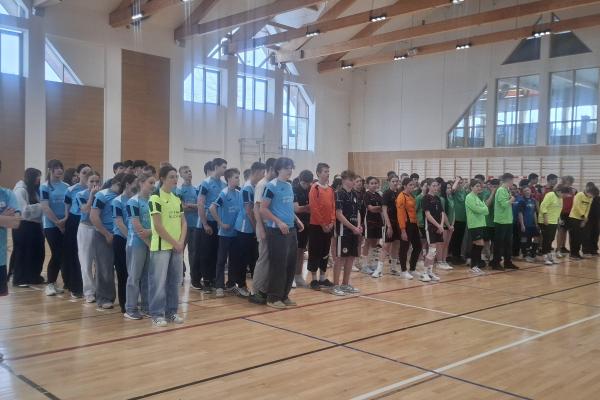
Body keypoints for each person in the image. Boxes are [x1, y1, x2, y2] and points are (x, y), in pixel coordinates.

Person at [260, 157, 304, 309]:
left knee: (290, 263)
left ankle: (284, 296)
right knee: (278, 264)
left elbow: (288, 207)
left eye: (291, 167)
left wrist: (297, 220)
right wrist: (278, 222)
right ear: (278, 169)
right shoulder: (271, 186)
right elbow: (263, 209)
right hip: (276, 231)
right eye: (286, 168)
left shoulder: (289, 185)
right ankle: (273, 298)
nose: (289, 170)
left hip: (291, 229)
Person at [148, 166, 186, 327]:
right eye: (171, 176)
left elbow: (183, 223)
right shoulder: (155, 198)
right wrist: (175, 242)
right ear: (162, 178)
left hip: (176, 248)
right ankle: (157, 314)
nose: (175, 179)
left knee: (174, 281)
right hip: (161, 247)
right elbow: (158, 226)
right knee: (158, 282)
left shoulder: (177, 198)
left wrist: (181, 242)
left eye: (176, 176)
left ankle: (171, 312)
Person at [90, 173, 125, 310]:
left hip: (120, 235)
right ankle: (104, 298)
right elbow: (94, 216)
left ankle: (126, 298)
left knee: (122, 267)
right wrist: (106, 234)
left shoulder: (123, 196)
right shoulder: (102, 195)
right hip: (103, 235)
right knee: (105, 267)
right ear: (116, 183)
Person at [230, 162, 265, 296]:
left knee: (253, 258)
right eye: (263, 173)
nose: (264, 176)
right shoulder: (247, 188)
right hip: (244, 228)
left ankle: (256, 287)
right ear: (256, 172)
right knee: (243, 258)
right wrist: (257, 227)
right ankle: (241, 285)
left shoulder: (255, 187)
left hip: (251, 229)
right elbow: (249, 211)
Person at [124, 172, 155, 320]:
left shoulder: (153, 200)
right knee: (134, 277)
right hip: (136, 244)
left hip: (150, 243)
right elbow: (138, 228)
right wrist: (149, 243)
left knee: (147, 277)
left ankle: (146, 307)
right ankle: (130, 309)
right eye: (150, 183)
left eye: (154, 183)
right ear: (141, 183)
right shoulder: (133, 202)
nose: (153, 186)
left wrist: (152, 238)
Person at [248, 158, 277, 305]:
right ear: (270, 168)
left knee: (269, 258)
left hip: (271, 226)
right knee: (263, 258)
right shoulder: (262, 184)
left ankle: (265, 289)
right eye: (277, 169)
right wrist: (260, 227)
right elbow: (256, 208)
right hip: (263, 226)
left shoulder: (272, 184)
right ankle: (256, 290)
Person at [210, 168, 242, 298]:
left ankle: (231, 284)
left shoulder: (239, 193)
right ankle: (219, 286)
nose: (238, 179)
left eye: (238, 177)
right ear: (228, 179)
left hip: (236, 233)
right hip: (225, 234)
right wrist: (221, 223)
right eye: (236, 177)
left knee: (234, 260)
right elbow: (212, 208)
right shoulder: (224, 193)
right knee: (221, 260)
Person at [10, 168, 45, 287]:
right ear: (31, 177)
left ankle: (33, 276)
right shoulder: (20, 190)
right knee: (23, 252)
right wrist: (41, 206)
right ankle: (20, 279)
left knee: (37, 251)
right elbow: (24, 211)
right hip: (23, 226)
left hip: (35, 226)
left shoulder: (33, 190)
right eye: (37, 176)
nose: (39, 179)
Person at [197, 158, 227, 293]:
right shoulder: (206, 183)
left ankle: (215, 279)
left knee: (216, 252)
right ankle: (206, 281)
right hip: (208, 221)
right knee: (206, 252)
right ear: (216, 167)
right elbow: (200, 203)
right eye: (223, 167)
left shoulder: (224, 184)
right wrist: (204, 224)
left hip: (219, 222)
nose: (225, 170)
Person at [62, 164, 92, 299]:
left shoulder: (95, 188)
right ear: (78, 174)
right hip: (74, 221)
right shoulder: (72, 189)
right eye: (84, 172)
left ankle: (90, 287)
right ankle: (75, 286)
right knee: (74, 254)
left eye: (89, 172)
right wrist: (65, 218)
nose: (87, 175)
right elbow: (67, 205)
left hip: (89, 222)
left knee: (88, 256)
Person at [41, 160, 69, 296]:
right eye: (56, 168)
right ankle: (50, 284)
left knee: (63, 254)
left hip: (65, 223)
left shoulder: (66, 186)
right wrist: (58, 222)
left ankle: (59, 282)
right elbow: (45, 207)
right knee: (56, 253)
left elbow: (68, 205)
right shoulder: (45, 187)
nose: (59, 170)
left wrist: (65, 220)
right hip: (51, 225)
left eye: (60, 167)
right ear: (50, 170)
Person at [331, 170, 362, 295]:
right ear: (343, 180)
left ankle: (345, 284)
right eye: (350, 179)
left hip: (354, 231)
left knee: (351, 257)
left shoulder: (354, 194)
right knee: (340, 258)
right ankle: (335, 285)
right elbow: (338, 214)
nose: (353, 182)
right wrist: (352, 227)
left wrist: (358, 226)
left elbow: (358, 212)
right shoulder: (339, 194)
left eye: (354, 179)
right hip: (343, 231)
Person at [307, 163, 336, 289]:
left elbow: (333, 206)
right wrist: (323, 224)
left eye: (328, 171)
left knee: (325, 251)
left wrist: (332, 221)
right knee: (315, 252)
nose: (327, 174)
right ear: (318, 173)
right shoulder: (314, 188)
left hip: (329, 226)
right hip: (316, 226)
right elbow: (314, 208)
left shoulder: (330, 189)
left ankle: (323, 278)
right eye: (325, 171)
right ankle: (314, 280)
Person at [112, 173, 138, 313]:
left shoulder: (136, 199)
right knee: (123, 273)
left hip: (135, 240)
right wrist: (130, 237)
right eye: (135, 183)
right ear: (127, 184)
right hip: (121, 239)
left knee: (134, 272)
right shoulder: (117, 201)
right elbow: (119, 222)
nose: (138, 185)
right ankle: (124, 303)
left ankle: (134, 301)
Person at [76, 171, 101, 303]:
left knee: (100, 262)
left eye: (97, 181)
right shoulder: (80, 194)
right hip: (85, 228)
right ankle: (88, 291)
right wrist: (91, 195)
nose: (94, 184)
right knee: (86, 262)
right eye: (91, 181)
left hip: (99, 229)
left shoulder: (103, 194)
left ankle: (99, 289)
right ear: (86, 182)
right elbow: (85, 209)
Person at [0, 160, 21, 296]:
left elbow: (15, 223)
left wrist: (6, 219)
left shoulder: (8, 194)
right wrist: (3, 217)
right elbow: (9, 221)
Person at [176, 166, 199, 287]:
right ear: (181, 175)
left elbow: (200, 205)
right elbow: (181, 207)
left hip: (195, 225)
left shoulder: (196, 189)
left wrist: (190, 206)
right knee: (180, 251)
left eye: (190, 171)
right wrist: (194, 206)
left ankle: (194, 278)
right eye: (186, 172)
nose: (189, 173)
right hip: (183, 225)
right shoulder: (179, 191)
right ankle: (179, 275)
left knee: (194, 252)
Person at [491, 173, 518, 270]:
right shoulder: (501, 190)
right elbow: (503, 204)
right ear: (508, 180)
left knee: (508, 243)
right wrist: (512, 200)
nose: (513, 183)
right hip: (501, 221)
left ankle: (508, 262)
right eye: (512, 181)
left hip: (508, 220)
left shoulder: (507, 190)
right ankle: (496, 263)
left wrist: (511, 200)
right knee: (499, 244)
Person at [396, 177, 421, 279]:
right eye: (410, 185)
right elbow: (400, 215)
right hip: (405, 225)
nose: (412, 187)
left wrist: (417, 226)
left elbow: (413, 212)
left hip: (413, 224)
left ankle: (412, 269)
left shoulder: (411, 196)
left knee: (418, 246)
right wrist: (403, 230)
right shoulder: (401, 197)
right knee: (404, 247)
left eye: (413, 185)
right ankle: (403, 271)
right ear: (404, 186)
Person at [376, 174, 400, 277]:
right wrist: (389, 226)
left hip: (398, 223)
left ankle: (393, 268)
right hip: (389, 223)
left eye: (396, 181)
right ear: (389, 182)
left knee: (396, 245)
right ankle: (378, 270)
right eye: (393, 181)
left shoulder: (399, 193)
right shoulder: (386, 193)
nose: (395, 183)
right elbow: (384, 211)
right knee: (386, 246)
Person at [539, 185, 570, 265]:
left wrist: (559, 219)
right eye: (564, 194)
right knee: (546, 239)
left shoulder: (560, 198)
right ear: (559, 192)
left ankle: (549, 255)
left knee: (551, 239)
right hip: (545, 221)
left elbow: (559, 209)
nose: (565, 197)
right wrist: (545, 217)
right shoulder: (550, 195)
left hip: (554, 221)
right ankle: (545, 256)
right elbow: (543, 206)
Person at [421, 180, 446, 282]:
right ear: (429, 186)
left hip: (438, 227)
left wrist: (441, 225)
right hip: (430, 227)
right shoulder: (425, 198)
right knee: (431, 250)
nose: (436, 187)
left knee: (434, 251)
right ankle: (424, 273)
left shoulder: (437, 198)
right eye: (433, 186)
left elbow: (442, 213)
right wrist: (438, 225)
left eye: (437, 186)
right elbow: (428, 215)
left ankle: (430, 272)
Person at [292, 170, 313, 287]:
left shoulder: (311, 189)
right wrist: (308, 207)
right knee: (294, 251)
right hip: (296, 223)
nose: (306, 185)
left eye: (308, 183)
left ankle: (298, 275)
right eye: (304, 183)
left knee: (301, 250)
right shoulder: (294, 189)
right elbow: (296, 209)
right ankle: (291, 277)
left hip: (307, 222)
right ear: (300, 180)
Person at [361, 177, 384, 274]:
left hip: (378, 221)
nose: (374, 185)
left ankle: (372, 263)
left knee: (375, 243)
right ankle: (364, 265)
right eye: (372, 183)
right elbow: (371, 209)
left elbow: (383, 208)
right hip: (369, 221)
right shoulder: (366, 195)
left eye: (375, 183)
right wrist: (380, 208)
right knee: (367, 242)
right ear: (367, 185)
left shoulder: (379, 195)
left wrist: (379, 208)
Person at [568, 185, 598, 260]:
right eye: (592, 195)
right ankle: (572, 254)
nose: (592, 197)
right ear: (589, 192)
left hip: (583, 218)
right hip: (574, 218)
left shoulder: (590, 198)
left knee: (580, 237)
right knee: (574, 237)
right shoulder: (579, 195)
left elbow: (588, 208)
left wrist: (585, 219)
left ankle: (577, 253)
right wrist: (583, 216)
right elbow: (576, 206)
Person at [465, 180, 489, 274]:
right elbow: (477, 209)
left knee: (477, 244)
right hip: (474, 224)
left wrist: (483, 209)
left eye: (480, 186)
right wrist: (483, 209)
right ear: (471, 187)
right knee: (480, 244)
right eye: (477, 186)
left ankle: (474, 266)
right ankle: (474, 266)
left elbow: (486, 210)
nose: (479, 188)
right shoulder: (469, 197)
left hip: (481, 224)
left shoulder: (478, 197)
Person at [517, 186, 540, 263]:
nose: (527, 192)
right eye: (525, 190)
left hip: (532, 224)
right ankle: (524, 254)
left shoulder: (533, 200)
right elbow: (520, 213)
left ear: (530, 191)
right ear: (523, 192)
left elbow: (534, 212)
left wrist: (536, 224)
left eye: (528, 190)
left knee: (536, 238)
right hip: (525, 223)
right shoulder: (522, 201)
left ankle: (533, 253)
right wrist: (522, 224)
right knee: (524, 238)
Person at [449, 177, 468, 264]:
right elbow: (453, 189)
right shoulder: (454, 192)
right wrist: (457, 180)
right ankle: (454, 256)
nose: (460, 184)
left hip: (463, 219)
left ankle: (458, 255)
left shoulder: (464, 192)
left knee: (460, 239)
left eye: (461, 183)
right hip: (456, 219)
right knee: (455, 239)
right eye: (458, 183)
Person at [556, 176, 576, 257]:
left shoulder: (573, 190)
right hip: (562, 213)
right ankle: (558, 249)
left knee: (570, 232)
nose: (570, 183)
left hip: (571, 214)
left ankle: (565, 248)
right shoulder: (559, 188)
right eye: (568, 181)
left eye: (571, 182)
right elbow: (555, 190)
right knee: (561, 231)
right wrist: (561, 182)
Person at [583, 193, 600, 257]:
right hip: (588, 219)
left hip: (596, 219)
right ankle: (586, 251)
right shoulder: (588, 197)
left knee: (595, 234)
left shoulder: (598, 199)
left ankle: (594, 250)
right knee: (587, 235)